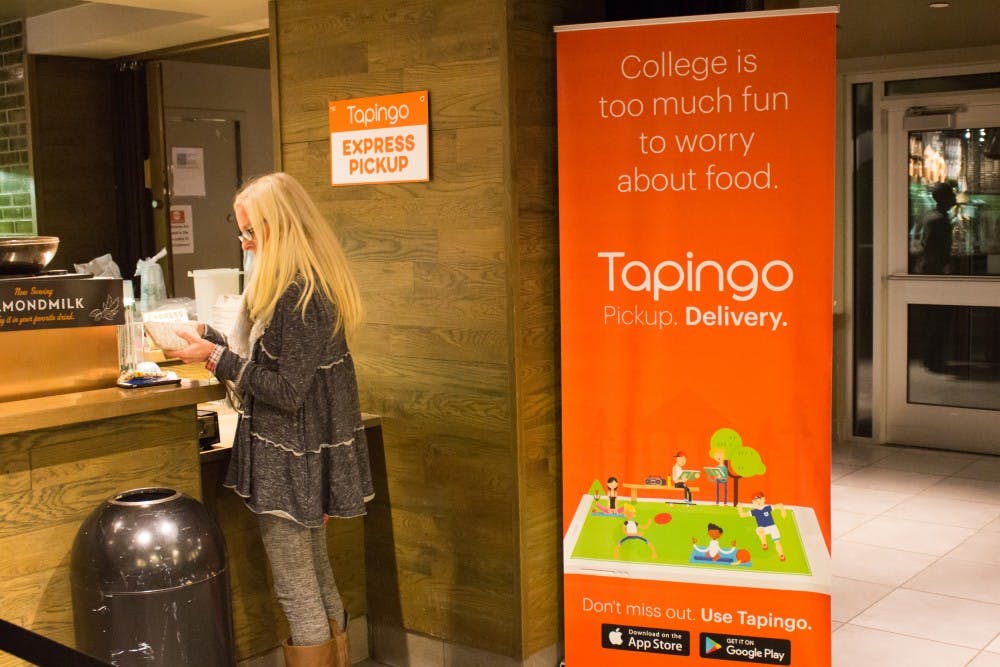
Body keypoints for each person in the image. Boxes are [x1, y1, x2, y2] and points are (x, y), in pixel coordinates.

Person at [169, 172, 373, 667]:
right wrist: (212, 339)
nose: (244, 243)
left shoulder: (301, 296)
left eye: (251, 232)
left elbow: (286, 390)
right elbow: (271, 363)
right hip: (299, 458)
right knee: (316, 578)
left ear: (280, 227)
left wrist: (214, 359)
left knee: (297, 590)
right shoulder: (300, 285)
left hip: (291, 462)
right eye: (240, 232)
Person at [914, 182, 956, 275]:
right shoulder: (939, 219)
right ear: (944, 198)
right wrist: (944, 266)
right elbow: (930, 248)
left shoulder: (933, 215)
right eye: (951, 194)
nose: (954, 196)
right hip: (933, 269)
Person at [738, 492, 787, 562]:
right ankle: (764, 543)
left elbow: (780, 505)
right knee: (760, 529)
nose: (758, 502)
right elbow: (742, 515)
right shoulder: (754, 511)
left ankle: (781, 555)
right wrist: (739, 508)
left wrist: (783, 512)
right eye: (756, 500)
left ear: (764, 499)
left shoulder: (768, 508)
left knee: (777, 542)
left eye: (760, 499)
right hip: (763, 528)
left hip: (772, 527)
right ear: (753, 502)